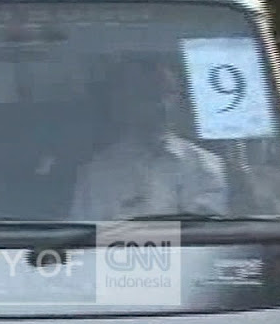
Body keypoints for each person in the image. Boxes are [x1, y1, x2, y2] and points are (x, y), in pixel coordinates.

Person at [70, 63, 227, 222]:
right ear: (126, 102)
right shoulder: (97, 173)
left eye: (169, 94)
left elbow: (211, 232)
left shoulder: (206, 165)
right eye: (150, 96)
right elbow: (87, 235)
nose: (162, 105)